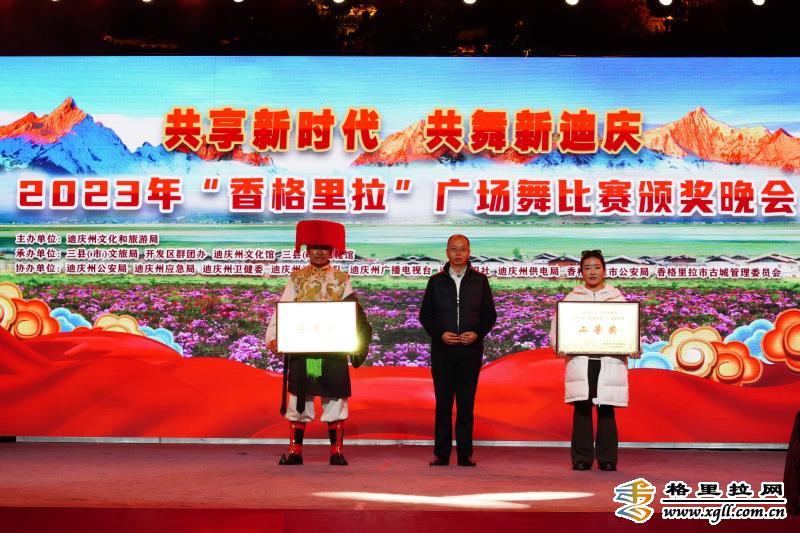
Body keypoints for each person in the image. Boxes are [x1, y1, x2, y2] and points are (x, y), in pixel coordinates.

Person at [266, 220, 371, 466]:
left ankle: (336, 452)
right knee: (299, 400)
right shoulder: (297, 278)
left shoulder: (342, 279)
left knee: (335, 399)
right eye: (315, 248)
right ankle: (295, 452)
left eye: (324, 248)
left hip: (332, 352)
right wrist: (273, 337)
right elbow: (283, 310)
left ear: (331, 251)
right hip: (304, 351)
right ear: (307, 251)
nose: (320, 252)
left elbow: (354, 314)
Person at [550, 249, 637, 472]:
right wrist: (558, 344)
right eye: (587, 268)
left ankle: (607, 459)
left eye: (597, 267)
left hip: (609, 360)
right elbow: (557, 329)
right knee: (582, 407)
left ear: (604, 271)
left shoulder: (617, 298)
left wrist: (634, 345)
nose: (592, 272)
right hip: (581, 360)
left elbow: (628, 327)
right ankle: (582, 458)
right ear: (581, 272)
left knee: (606, 408)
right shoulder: (572, 299)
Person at [419, 234, 497, 467]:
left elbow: (489, 315)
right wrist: (440, 334)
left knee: (466, 404)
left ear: (469, 252)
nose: (458, 253)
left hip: (470, 351)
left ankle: (465, 454)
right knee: (443, 404)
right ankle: (441, 454)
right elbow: (425, 315)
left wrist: (477, 333)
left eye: (463, 249)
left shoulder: (480, 281)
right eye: (454, 249)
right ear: (447, 252)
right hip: (442, 351)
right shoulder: (436, 281)